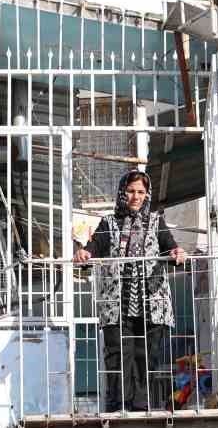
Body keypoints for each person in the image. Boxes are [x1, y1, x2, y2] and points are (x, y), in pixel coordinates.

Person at [73, 170, 187, 413]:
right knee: (117, 354)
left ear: (147, 195)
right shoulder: (109, 223)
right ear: (123, 193)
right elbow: (94, 248)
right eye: (131, 191)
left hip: (151, 301)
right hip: (117, 302)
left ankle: (140, 405)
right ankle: (118, 405)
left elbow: (171, 248)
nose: (136, 197)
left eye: (141, 192)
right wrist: (84, 253)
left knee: (146, 354)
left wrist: (178, 253)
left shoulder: (156, 222)